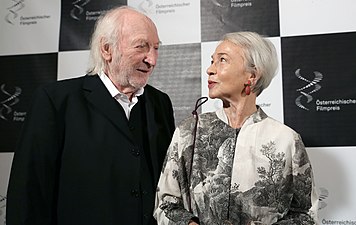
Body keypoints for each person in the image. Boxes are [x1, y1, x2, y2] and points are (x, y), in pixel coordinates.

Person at [6, 6, 175, 225]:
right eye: (141, 47)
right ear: (107, 49)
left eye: (155, 48)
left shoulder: (160, 102)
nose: (151, 59)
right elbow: (29, 192)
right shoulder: (56, 101)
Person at [154, 31, 319, 225]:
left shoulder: (286, 140)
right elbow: (165, 205)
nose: (210, 69)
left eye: (222, 60)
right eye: (211, 61)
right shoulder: (189, 131)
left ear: (252, 75)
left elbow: (306, 215)